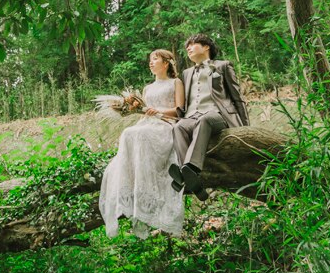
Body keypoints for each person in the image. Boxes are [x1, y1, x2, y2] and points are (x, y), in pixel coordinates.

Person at [99, 49, 186, 239]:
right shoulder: (147, 88)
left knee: (140, 134)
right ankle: (133, 181)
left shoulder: (176, 83)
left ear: (166, 63)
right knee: (129, 133)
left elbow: (180, 110)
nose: (151, 62)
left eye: (155, 59)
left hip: (166, 124)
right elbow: (144, 111)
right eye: (150, 60)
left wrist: (158, 110)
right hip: (148, 123)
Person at [169, 34, 249, 203]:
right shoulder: (186, 73)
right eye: (187, 47)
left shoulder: (223, 66)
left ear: (206, 47)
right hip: (192, 116)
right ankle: (192, 180)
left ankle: (190, 169)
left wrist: (246, 126)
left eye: (192, 44)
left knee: (205, 120)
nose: (188, 49)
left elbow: (237, 97)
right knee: (179, 127)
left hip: (218, 116)